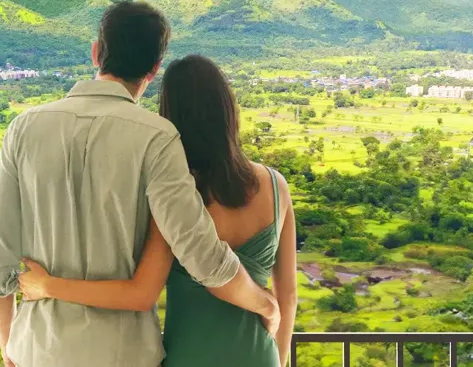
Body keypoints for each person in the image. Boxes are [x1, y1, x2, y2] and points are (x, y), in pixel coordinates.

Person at [0, 3, 279, 367]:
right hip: (123, 354)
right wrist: (264, 303)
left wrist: (11, 347)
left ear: (95, 52)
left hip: (38, 349)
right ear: (154, 69)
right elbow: (201, 253)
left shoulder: (23, 128)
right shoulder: (157, 137)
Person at [18, 54, 298, 367]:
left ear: (170, 116)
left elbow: (139, 294)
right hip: (259, 355)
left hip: (187, 356)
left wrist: (48, 286)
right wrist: (277, 356)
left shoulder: (173, 195)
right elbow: (287, 297)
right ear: (227, 109)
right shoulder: (275, 186)